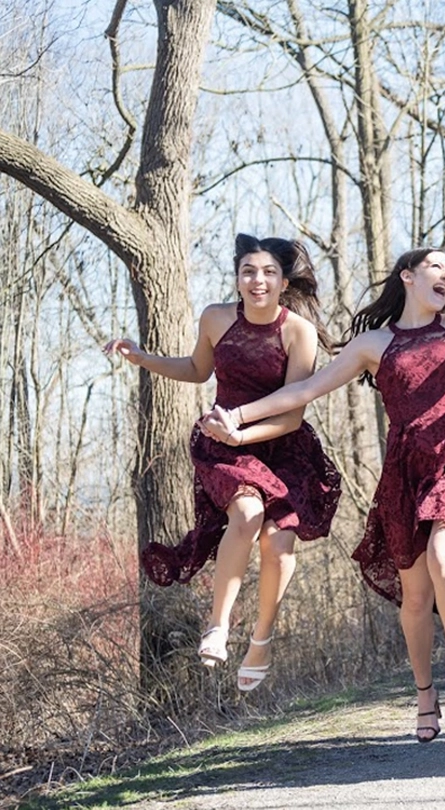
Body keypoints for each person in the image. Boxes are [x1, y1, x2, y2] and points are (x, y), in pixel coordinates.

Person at [203, 247, 445, 742]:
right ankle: (424, 695)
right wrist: (238, 418)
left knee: (443, 550)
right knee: (414, 596)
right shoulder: (373, 343)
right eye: (438, 268)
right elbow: (305, 392)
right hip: (403, 472)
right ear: (408, 276)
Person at [105, 234, 340, 692]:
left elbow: (291, 415)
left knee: (280, 543)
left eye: (269, 272)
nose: (258, 280)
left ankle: (262, 639)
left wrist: (244, 431)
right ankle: (218, 625)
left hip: (282, 445)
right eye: (249, 271)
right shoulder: (215, 318)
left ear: (283, 281)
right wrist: (142, 357)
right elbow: (197, 370)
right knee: (248, 513)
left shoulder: (298, 332)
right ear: (237, 277)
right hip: (223, 445)